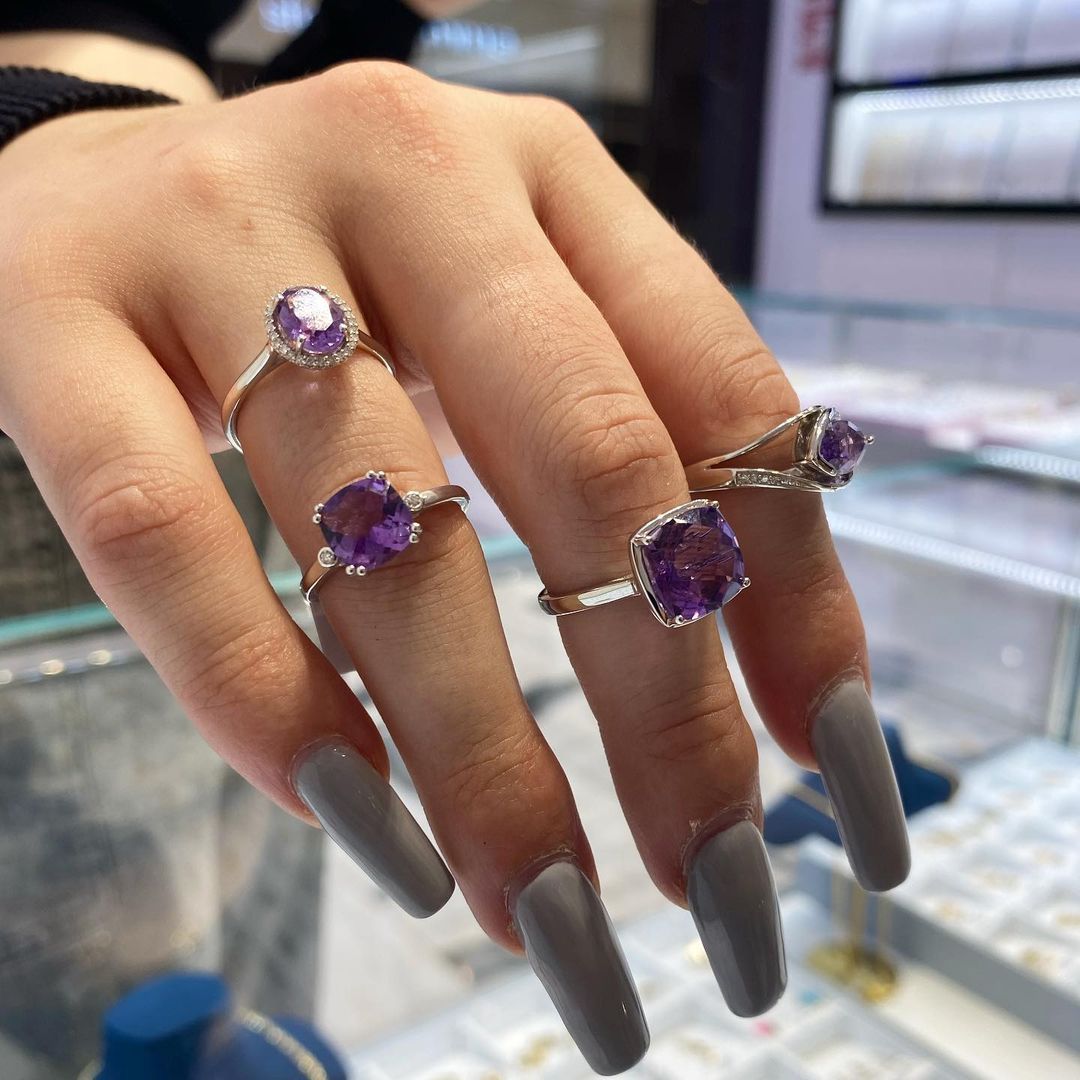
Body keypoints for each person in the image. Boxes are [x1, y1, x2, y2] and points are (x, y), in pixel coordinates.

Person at [0, 2, 910, 1075]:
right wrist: (38, 124)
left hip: (200, 344)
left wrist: (353, 68)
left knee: (286, 815)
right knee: (107, 953)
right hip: (52, 348)